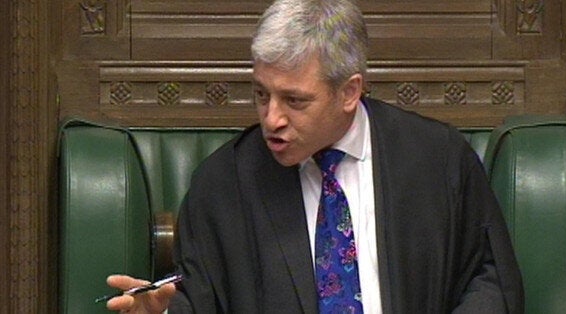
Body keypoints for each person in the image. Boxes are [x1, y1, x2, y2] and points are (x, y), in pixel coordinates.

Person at [106, 0, 524, 313]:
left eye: (294, 100)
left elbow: (489, 282)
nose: (272, 119)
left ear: (349, 91)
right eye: (261, 94)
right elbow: (200, 299)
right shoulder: (221, 185)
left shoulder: (438, 160)